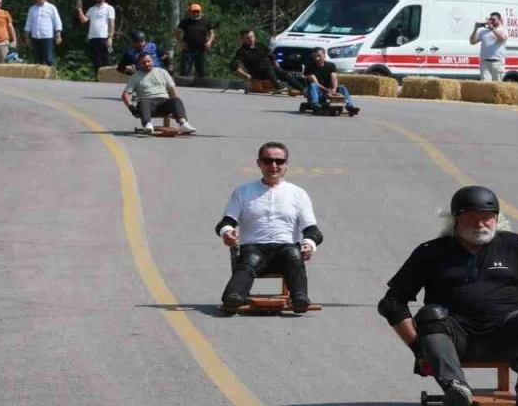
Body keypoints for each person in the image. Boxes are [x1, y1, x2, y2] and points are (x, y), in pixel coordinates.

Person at [377, 186, 518, 406]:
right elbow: (392, 304)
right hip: (453, 340)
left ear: (496, 219)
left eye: (486, 218)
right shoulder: (430, 251)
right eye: (471, 218)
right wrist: (419, 350)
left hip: (509, 337)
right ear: (455, 220)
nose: (479, 224)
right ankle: (455, 386)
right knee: (430, 314)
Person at [216, 142, 322, 313]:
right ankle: (233, 296)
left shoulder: (298, 194)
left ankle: (300, 298)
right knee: (251, 259)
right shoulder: (243, 192)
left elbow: (313, 230)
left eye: (279, 161)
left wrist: (309, 243)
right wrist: (227, 233)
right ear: (259, 163)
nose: (274, 166)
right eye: (267, 161)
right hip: (254, 249)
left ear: (287, 164)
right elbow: (226, 222)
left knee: (293, 254)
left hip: (285, 252)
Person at [121, 52, 196, 134]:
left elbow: (172, 89)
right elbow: (125, 94)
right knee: (143, 101)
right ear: (139, 64)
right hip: (147, 105)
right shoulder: (136, 76)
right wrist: (131, 108)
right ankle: (148, 125)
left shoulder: (162, 72)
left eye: (148, 61)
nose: (146, 64)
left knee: (176, 100)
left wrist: (175, 107)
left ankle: (183, 124)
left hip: (163, 102)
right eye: (143, 62)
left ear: (152, 61)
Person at [231, 29, 302, 93]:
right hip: (257, 74)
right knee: (268, 66)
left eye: (252, 37)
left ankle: (303, 90)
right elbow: (234, 66)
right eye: (248, 38)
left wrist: (278, 68)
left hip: (270, 70)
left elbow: (272, 58)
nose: (251, 39)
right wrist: (246, 76)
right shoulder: (242, 51)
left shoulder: (261, 45)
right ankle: (277, 87)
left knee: (283, 73)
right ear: (243, 39)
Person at [301, 47, 360, 115]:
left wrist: (334, 89)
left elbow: (334, 78)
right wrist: (327, 91)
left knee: (341, 87)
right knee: (313, 85)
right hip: (317, 92)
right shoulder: (309, 67)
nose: (317, 58)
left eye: (319, 56)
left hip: (329, 91)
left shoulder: (331, 65)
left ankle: (350, 107)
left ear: (324, 55)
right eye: (314, 56)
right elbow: (315, 83)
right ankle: (315, 105)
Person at [75, 0, 115, 70]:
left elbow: (112, 23)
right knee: (96, 60)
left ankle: (108, 79)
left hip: (104, 37)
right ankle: (98, 78)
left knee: (106, 59)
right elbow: (84, 20)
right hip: (93, 37)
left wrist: (110, 37)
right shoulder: (92, 9)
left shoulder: (109, 8)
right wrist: (79, 10)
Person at [175, 2, 214, 77]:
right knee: (185, 71)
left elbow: (212, 33)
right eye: (193, 12)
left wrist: (209, 42)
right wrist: (181, 43)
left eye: (197, 12)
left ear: (200, 12)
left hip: (201, 49)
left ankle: (202, 86)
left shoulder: (205, 21)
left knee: (202, 71)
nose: (196, 14)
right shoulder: (185, 21)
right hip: (188, 49)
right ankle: (184, 86)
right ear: (190, 12)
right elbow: (176, 32)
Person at [24, 0, 62, 66]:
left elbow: (57, 21)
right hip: (35, 37)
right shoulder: (32, 9)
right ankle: (38, 77)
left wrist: (58, 35)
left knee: (49, 58)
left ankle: (51, 75)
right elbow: (28, 23)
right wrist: (27, 37)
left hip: (47, 36)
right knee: (37, 59)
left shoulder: (51, 7)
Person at [468, 11, 508, 81]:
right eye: (490, 19)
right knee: (485, 85)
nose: (491, 21)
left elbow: (502, 38)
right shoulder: (484, 32)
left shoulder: (503, 30)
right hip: (485, 62)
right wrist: (475, 29)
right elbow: (472, 41)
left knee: (498, 85)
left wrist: (492, 29)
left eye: (493, 20)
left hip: (497, 62)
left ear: (499, 20)